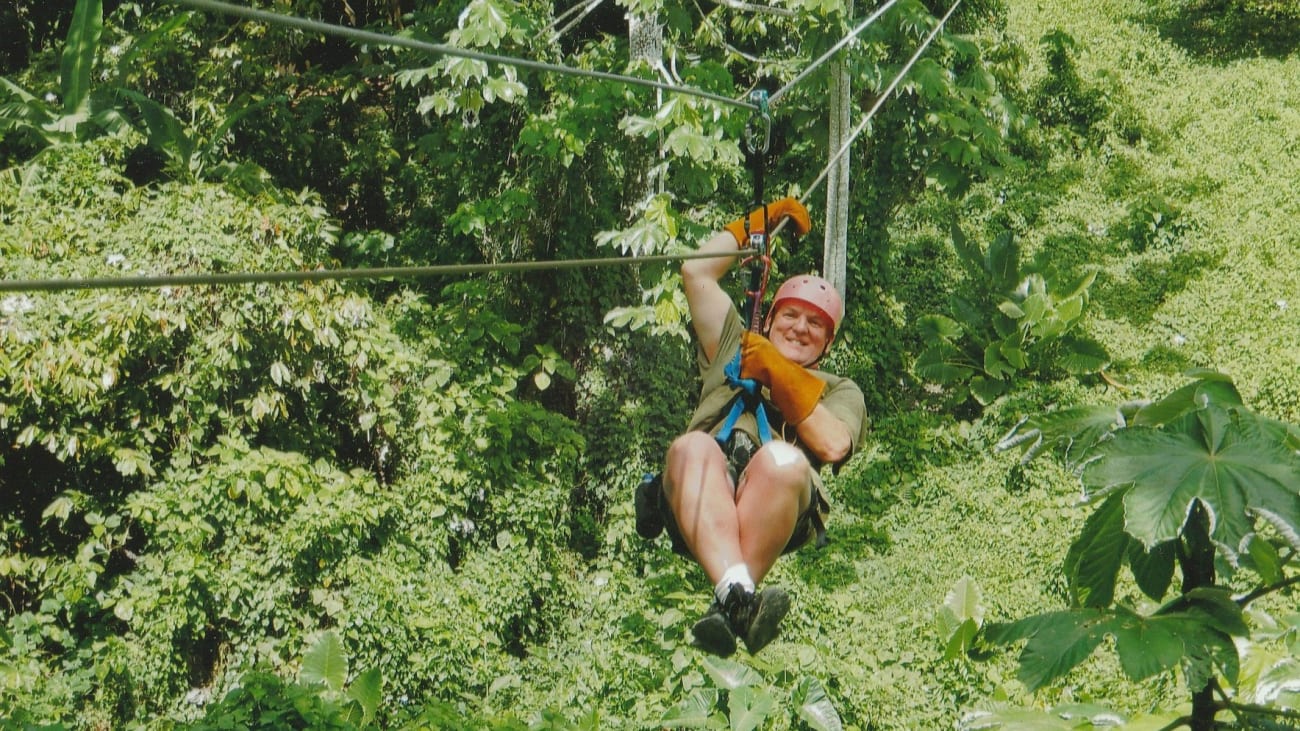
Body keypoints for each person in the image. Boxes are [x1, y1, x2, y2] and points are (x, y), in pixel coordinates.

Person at [636, 197, 869, 657]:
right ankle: (738, 603)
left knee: (782, 460)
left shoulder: (838, 388)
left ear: (827, 342)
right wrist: (758, 223)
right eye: (790, 315)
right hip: (701, 491)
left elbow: (834, 442)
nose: (801, 328)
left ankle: (732, 594)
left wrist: (779, 376)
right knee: (690, 449)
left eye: (815, 324)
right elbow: (696, 273)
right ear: (770, 318)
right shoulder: (734, 347)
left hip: (777, 504)